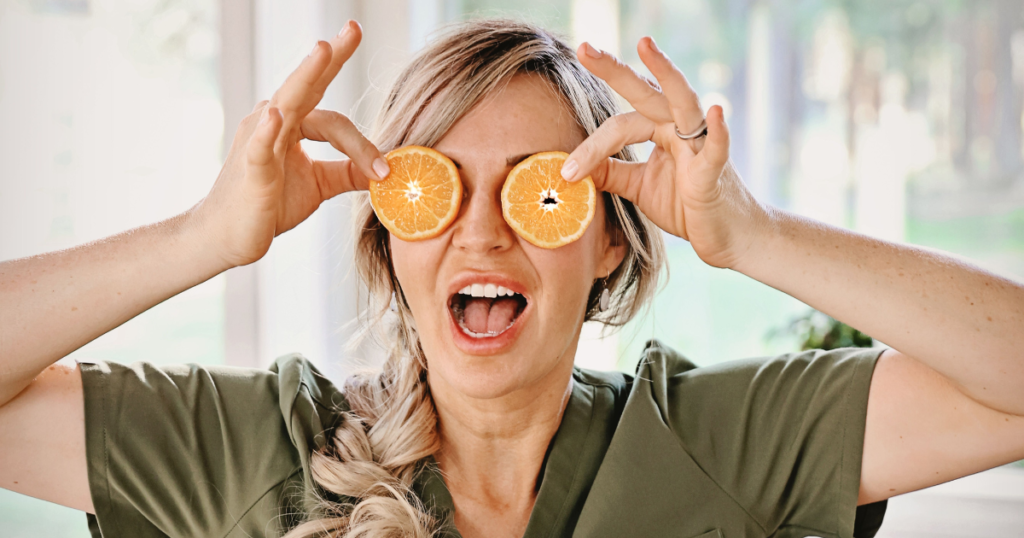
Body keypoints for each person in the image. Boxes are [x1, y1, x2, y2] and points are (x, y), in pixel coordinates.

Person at [1, 17, 1022, 538]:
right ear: (389, 239)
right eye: (435, 191)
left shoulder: (711, 437)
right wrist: (202, 238)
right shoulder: (260, 445)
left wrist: (746, 235)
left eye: (538, 193)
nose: (482, 233)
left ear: (609, 239)